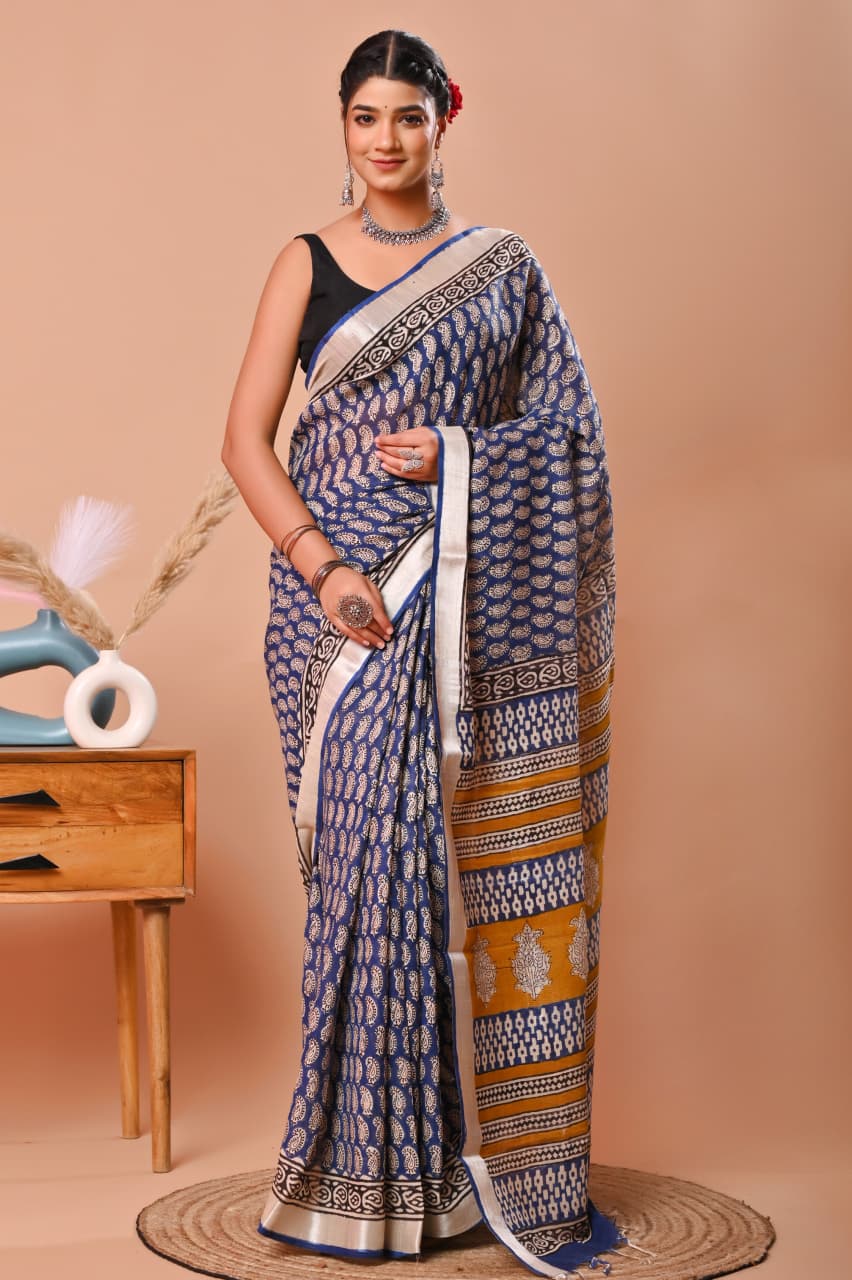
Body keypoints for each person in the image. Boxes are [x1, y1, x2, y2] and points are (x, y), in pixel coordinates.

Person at [221, 28, 622, 1280]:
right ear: (341, 125)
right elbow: (244, 441)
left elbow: (571, 439)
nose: (385, 140)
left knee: (424, 873)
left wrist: (461, 454)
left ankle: (439, 1173)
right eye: (365, 118)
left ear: (446, 119)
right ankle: (352, 1172)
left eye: (408, 116)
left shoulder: (504, 270)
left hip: (457, 608)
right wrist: (323, 565)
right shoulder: (304, 262)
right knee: (366, 872)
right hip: (334, 611)